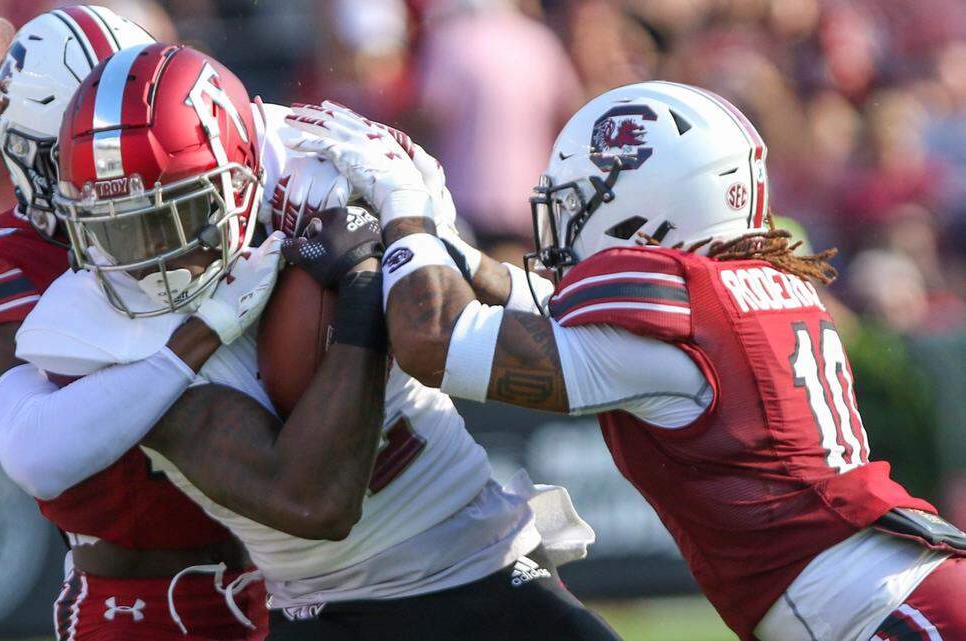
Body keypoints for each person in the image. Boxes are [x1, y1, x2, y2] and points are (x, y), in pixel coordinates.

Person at [287, 83, 966, 641]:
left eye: (580, 204)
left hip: (887, 615)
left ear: (648, 209)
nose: (560, 227)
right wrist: (445, 247)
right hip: (898, 594)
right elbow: (545, 306)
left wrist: (402, 205)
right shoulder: (742, 290)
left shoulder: (674, 320)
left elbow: (434, 339)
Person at [17, 42, 621, 641]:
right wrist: (361, 289)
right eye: (120, 228)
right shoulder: (91, 321)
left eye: (168, 216)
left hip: (480, 556)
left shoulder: (322, 169)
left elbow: (442, 325)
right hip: (322, 608)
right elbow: (313, 503)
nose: (150, 256)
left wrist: (405, 212)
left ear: (241, 173)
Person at [0, 8, 273, 639]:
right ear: (30, 155)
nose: (113, 169)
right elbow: (45, 446)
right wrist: (206, 326)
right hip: (143, 599)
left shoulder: (209, 196)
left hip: (288, 580)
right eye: (81, 152)